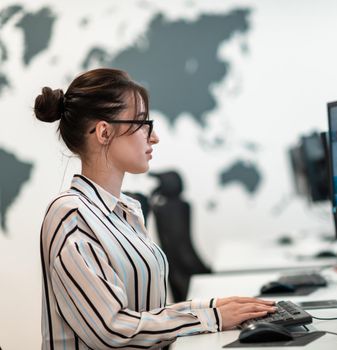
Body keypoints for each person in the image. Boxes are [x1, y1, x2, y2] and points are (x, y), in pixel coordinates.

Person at [34, 68, 275, 349]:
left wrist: (212, 306)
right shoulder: (72, 216)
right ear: (104, 132)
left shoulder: (127, 210)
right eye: (142, 123)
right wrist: (211, 318)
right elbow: (113, 330)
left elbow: (144, 315)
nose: (154, 137)